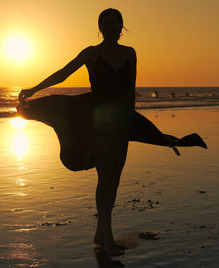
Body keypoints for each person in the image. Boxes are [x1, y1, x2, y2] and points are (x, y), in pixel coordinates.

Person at [17, 8, 207, 256]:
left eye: (113, 22)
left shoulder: (130, 53)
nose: (109, 27)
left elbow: (131, 90)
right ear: (100, 28)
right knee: (106, 177)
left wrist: (131, 121)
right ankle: (107, 239)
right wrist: (34, 89)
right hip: (98, 122)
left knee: (114, 179)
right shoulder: (92, 53)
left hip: (121, 121)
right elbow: (64, 73)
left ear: (121, 26)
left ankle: (100, 231)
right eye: (104, 23)